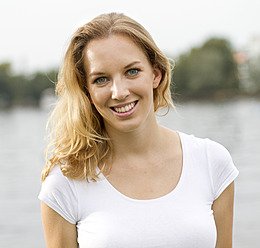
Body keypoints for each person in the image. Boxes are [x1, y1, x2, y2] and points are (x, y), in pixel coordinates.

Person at [38, 12, 239, 248]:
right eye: (101, 79)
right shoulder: (65, 182)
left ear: (155, 74)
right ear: (87, 92)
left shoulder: (212, 162)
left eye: (132, 71)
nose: (119, 92)